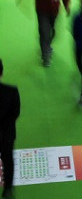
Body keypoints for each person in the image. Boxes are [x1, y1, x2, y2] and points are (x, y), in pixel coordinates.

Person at [0, 59, 20, 198]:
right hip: (6, 133)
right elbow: (15, 113)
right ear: (1, 72)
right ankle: (8, 189)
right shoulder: (12, 91)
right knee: (8, 161)